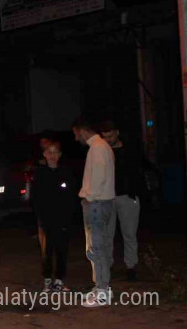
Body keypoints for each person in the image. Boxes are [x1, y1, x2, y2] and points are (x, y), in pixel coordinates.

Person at [73, 117, 115, 308]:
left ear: (81, 131)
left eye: (76, 134)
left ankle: (102, 291)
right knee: (99, 248)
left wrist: (88, 197)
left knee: (96, 248)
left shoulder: (97, 147)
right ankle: (102, 287)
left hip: (96, 203)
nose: (76, 138)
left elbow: (98, 177)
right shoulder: (101, 146)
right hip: (101, 202)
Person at [100, 121, 144, 282]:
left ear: (117, 132)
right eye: (105, 137)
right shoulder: (102, 151)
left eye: (110, 135)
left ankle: (131, 266)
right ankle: (108, 265)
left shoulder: (130, 149)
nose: (108, 139)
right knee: (107, 234)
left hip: (127, 196)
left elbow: (139, 168)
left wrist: (136, 192)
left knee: (129, 233)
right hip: (108, 196)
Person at [32, 142, 76, 292]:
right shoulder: (40, 173)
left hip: (63, 218)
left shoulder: (66, 172)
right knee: (47, 249)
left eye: (55, 152)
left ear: (60, 155)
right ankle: (47, 279)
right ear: (44, 154)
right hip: (46, 218)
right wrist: (40, 217)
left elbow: (71, 195)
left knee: (62, 248)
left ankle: (59, 279)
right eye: (49, 152)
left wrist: (69, 214)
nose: (52, 155)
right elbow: (35, 197)